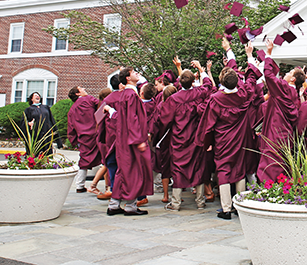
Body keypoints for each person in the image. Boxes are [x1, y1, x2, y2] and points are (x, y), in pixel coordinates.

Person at [197, 43, 262, 219]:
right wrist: (249, 56)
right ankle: (239, 206)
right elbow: (251, 79)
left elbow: (209, 124)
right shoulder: (244, 94)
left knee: (223, 170)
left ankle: (226, 209)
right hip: (240, 138)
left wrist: (207, 142)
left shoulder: (216, 99)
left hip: (223, 139)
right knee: (240, 169)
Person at [159, 60, 213, 211]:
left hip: (179, 138)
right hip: (196, 137)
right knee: (198, 167)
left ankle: (176, 203)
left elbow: (164, 120)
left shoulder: (173, 100)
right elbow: (209, 85)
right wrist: (202, 70)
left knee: (178, 168)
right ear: (193, 81)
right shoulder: (199, 93)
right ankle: (200, 201)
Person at [103, 67, 153, 216]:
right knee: (133, 171)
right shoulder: (131, 95)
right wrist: (139, 139)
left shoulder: (126, 94)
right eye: (133, 72)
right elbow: (132, 119)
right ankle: (130, 206)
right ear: (127, 78)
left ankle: (114, 205)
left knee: (122, 171)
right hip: (131, 140)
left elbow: (123, 118)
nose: (137, 73)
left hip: (124, 139)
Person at [257, 39, 305, 182]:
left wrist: (269, 53)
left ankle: (269, 193)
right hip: (286, 133)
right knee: (282, 166)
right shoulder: (294, 93)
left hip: (275, 131)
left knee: (270, 166)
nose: (286, 74)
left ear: (293, 80)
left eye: (290, 73)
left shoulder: (283, 88)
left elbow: (269, 75)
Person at [67, 86, 101, 193]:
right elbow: (101, 107)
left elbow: (71, 127)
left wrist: (74, 140)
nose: (84, 88)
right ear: (77, 93)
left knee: (83, 160)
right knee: (104, 158)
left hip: (83, 137)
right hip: (95, 133)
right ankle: (106, 187)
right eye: (81, 88)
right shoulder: (89, 99)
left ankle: (80, 185)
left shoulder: (72, 110)